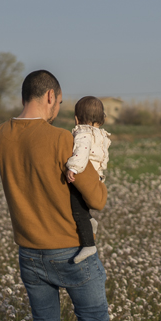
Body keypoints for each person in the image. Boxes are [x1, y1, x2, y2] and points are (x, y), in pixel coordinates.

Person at [0, 70, 118, 321]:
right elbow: (98, 199)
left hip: (28, 252)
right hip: (72, 250)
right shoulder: (63, 140)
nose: (59, 108)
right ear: (49, 96)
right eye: (59, 102)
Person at [64, 96, 112, 264]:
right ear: (102, 119)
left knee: (76, 209)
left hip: (84, 174)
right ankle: (90, 220)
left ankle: (88, 244)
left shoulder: (83, 133)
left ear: (77, 119)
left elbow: (82, 152)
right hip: (97, 176)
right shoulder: (102, 135)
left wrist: (73, 168)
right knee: (81, 206)